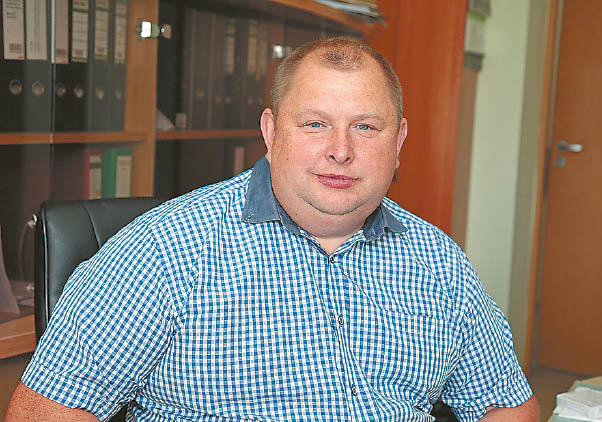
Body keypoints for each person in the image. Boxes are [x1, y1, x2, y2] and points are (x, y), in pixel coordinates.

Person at [7, 37, 538, 421]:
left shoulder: (439, 262)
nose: (341, 150)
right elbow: (47, 413)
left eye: (365, 126)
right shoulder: (162, 252)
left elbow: (505, 405)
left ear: (398, 141)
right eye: (315, 124)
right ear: (271, 130)